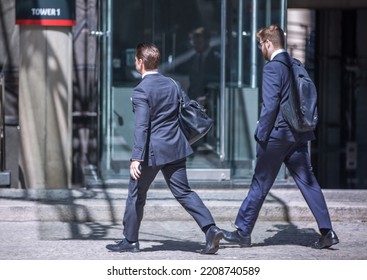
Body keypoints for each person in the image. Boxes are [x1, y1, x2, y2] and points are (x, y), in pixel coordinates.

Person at [222, 24, 339, 249]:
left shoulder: (273, 68)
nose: (260, 49)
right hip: (299, 133)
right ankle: (328, 231)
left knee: (260, 182)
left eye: (260, 44)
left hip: (277, 135)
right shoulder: (296, 64)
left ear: (268, 43)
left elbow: (270, 104)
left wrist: (261, 134)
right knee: (308, 181)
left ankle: (243, 232)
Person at [105, 42, 223, 254]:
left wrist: (136, 158)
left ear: (141, 62)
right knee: (184, 192)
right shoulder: (173, 84)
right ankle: (210, 229)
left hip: (152, 152)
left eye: (135, 59)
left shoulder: (141, 90)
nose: (135, 62)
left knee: (136, 193)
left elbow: (142, 126)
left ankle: (130, 241)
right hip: (176, 148)